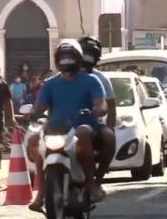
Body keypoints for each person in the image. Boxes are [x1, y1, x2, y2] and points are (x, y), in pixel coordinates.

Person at [27, 39, 107, 211]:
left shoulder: (92, 80)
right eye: (63, 57)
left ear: (78, 58)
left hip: (82, 126)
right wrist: (32, 113)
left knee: (84, 135)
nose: (66, 61)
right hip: (55, 130)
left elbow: (100, 104)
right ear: (57, 60)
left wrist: (97, 109)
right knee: (34, 141)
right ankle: (41, 192)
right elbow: (39, 107)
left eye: (70, 57)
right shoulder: (50, 84)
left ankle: (92, 185)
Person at [78, 36, 117, 200]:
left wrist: (110, 127)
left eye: (91, 55)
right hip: (64, 126)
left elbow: (110, 108)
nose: (87, 58)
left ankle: (97, 181)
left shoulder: (100, 79)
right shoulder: (60, 78)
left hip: (92, 126)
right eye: (84, 53)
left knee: (109, 138)